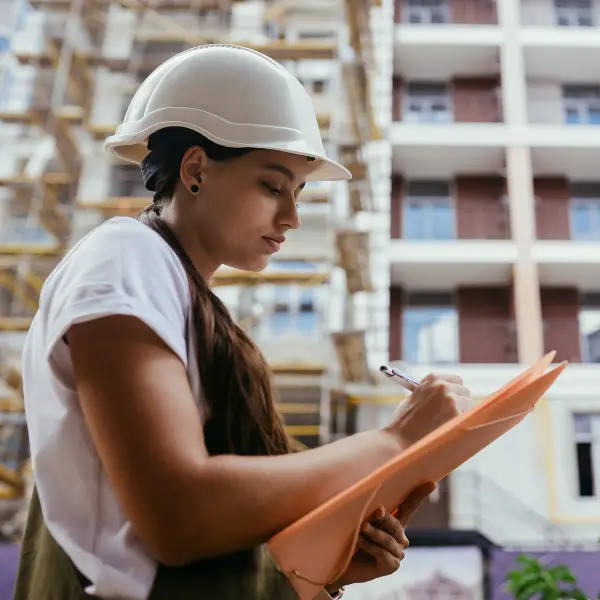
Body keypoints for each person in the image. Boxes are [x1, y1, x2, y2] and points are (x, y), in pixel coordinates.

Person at [13, 45, 473, 600]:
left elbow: (205, 545)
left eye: (299, 193)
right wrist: (397, 441)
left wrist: (325, 565)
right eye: (272, 186)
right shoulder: (126, 255)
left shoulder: (190, 300)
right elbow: (177, 515)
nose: (292, 218)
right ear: (195, 169)